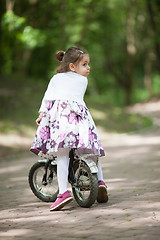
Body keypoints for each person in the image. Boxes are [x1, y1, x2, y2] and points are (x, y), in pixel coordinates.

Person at [30, 46, 108, 211]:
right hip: (81, 119)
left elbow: (48, 98)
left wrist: (42, 114)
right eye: (85, 64)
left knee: (63, 155)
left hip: (62, 120)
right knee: (89, 151)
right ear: (72, 66)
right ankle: (100, 182)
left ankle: (63, 193)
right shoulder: (83, 81)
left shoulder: (56, 79)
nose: (88, 68)